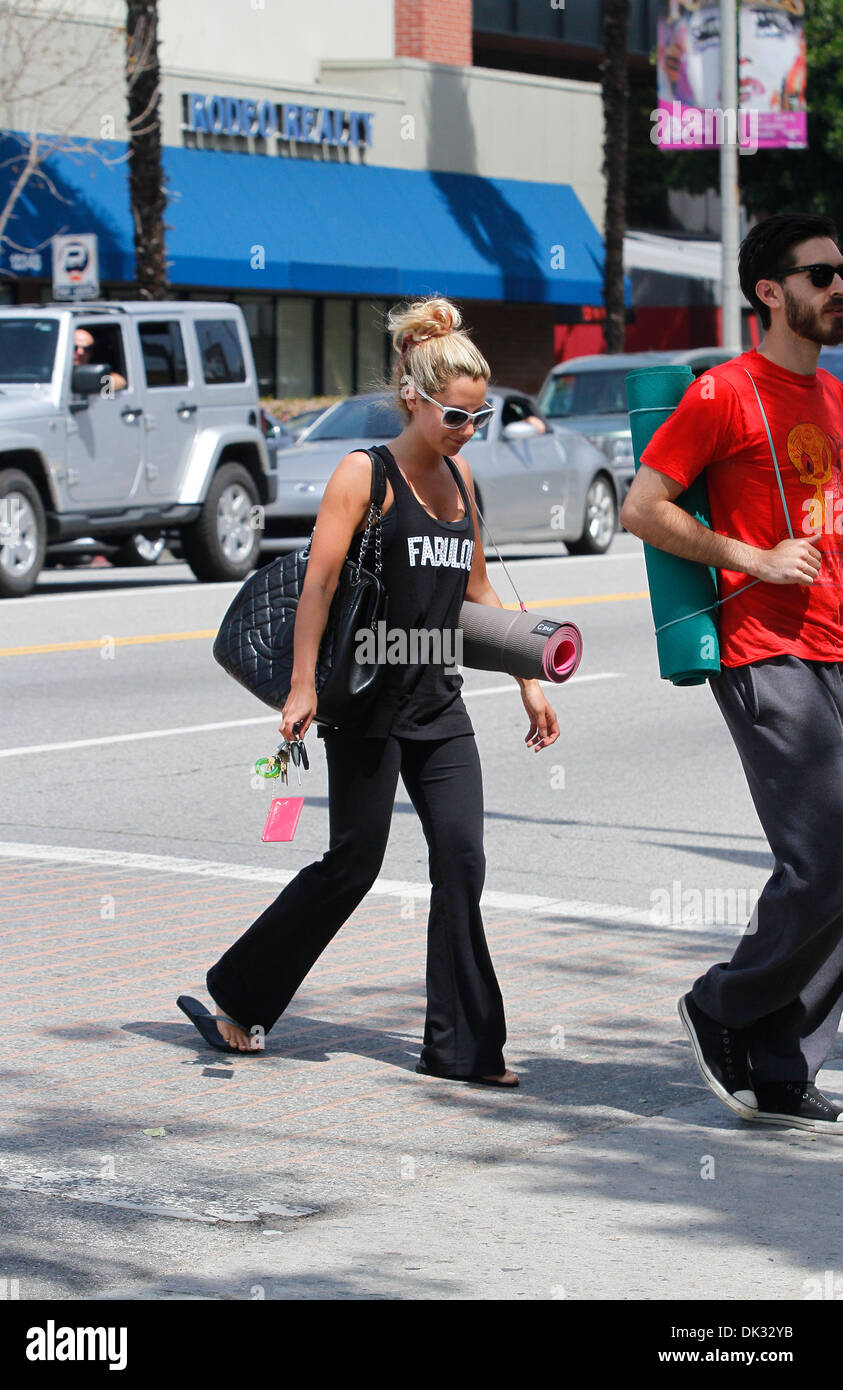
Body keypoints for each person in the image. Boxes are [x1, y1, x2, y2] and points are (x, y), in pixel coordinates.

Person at [178, 297, 561, 1086]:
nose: (467, 429)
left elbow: (479, 592)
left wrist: (527, 677)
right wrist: (299, 688)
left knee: (462, 861)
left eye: (480, 417)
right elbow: (316, 585)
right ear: (414, 399)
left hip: (439, 705)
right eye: (456, 414)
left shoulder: (459, 481)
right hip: (366, 706)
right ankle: (237, 998)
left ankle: (460, 1049)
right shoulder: (365, 474)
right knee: (353, 862)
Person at [621, 213, 843, 1133]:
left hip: (836, 644)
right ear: (770, 291)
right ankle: (721, 1005)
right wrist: (748, 559)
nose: (839, 288)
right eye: (822, 274)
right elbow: (642, 507)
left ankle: (781, 1055)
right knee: (825, 855)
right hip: (766, 652)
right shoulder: (723, 392)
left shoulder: (831, 398)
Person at [73, 328, 126, 394]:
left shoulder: (92, 371)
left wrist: (91, 381)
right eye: (75, 347)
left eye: (87, 349)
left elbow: (120, 382)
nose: (81, 352)